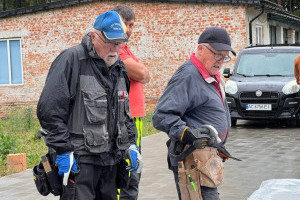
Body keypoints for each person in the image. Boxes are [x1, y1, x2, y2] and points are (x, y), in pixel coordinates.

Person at [37, 10, 143, 200]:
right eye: (110, 43)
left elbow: (124, 114)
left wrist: (131, 145)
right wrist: (62, 150)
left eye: (120, 44)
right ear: (94, 36)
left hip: (110, 164)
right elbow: (49, 110)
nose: (115, 49)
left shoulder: (119, 69)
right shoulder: (72, 60)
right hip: (80, 163)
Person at [152, 27, 236, 200]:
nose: (221, 61)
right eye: (216, 54)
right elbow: (161, 115)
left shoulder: (209, 73)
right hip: (193, 161)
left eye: (225, 56)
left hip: (205, 160)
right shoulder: (189, 75)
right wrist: (187, 133)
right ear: (200, 49)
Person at [113, 5, 150, 200]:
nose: (129, 29)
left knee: (134, 171)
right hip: (126, 120)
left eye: (132, 25)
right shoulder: (116, 50)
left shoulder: (125, 48)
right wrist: (142, 72)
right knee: (128, 174)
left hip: (134, 119)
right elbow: (143, 73)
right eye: (125, 24)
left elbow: (143, 74)